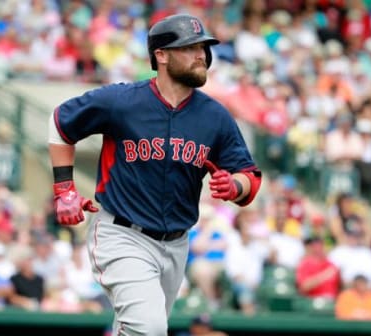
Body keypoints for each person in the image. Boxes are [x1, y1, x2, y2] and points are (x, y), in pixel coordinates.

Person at [48, 13, 261, 336]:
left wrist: (236, 185)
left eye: (203, 47)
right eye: (189, 47)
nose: (201, 55)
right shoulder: (121, 101)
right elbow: (61, 123)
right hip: (122, 233)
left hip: (176, 243)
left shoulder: (214, 115)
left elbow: (249, 174)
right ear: (160, 55)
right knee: (148, 329)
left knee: (139, 330)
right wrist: (65, 189)